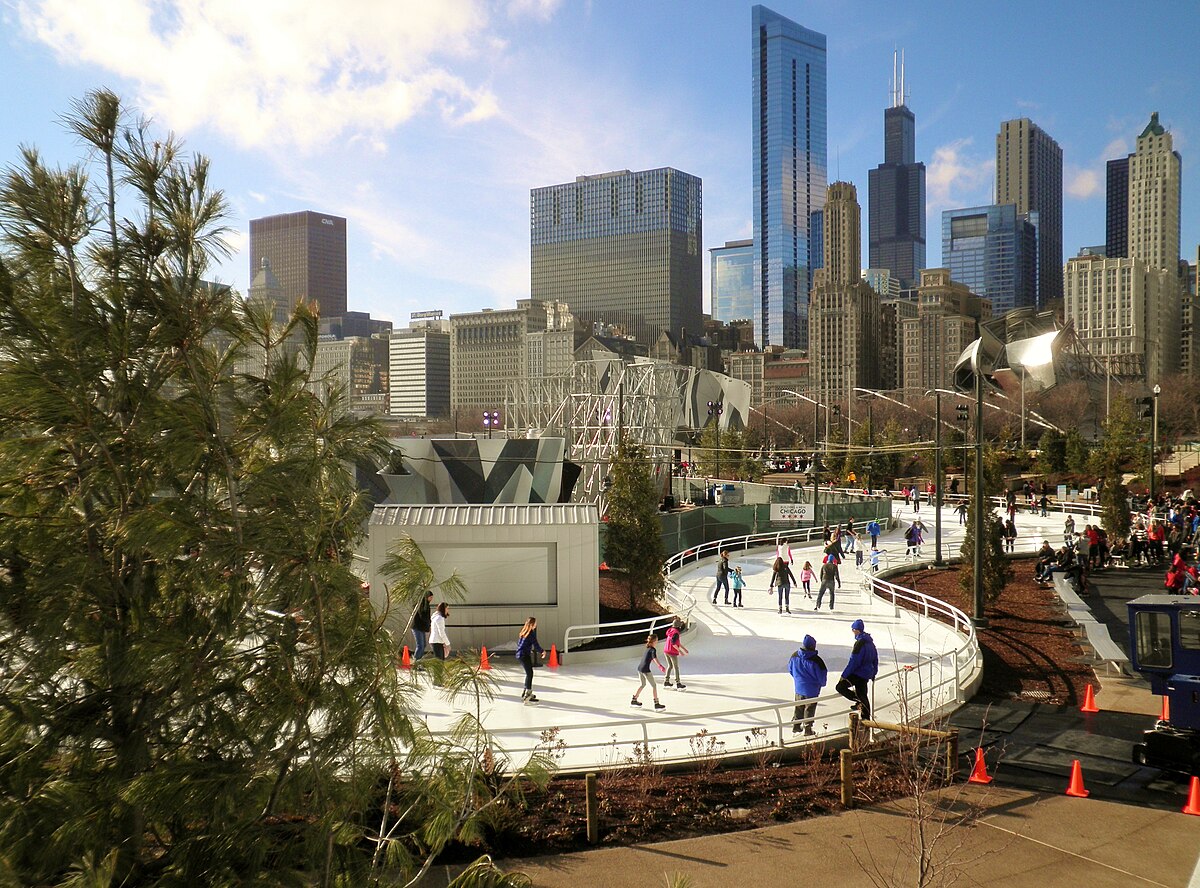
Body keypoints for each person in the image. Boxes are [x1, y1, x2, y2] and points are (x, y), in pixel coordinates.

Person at [836, 619, 879, 720]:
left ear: (857, 630)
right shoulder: (870, 643)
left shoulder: (859, 644)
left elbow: (854, 662)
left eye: (853, 630)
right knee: (862, 694)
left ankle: (858, 701)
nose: (852, 632)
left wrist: (844, 676)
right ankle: (866, 720)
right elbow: (875, 659)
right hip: (866, 673)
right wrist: (873, 673)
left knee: (840, 687)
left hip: (858, 673)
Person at [788, 634, 828, 736]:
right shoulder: (816, 660)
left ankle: (796, 726)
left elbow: (790, 670)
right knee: (809, 709)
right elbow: (822, 677)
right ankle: (807, 729)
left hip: (799, 687)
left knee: (799, 707)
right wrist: (820, 684)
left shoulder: (794, 656)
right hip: (812, 690)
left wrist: (798, 679)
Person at [515, 616, 547, 703]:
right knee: (530, 673)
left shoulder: (524, 631)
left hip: (521, 654)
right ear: (532, 624)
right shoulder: (530, 633)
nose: (536, 625)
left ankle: (526, 691)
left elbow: (520, 643)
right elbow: (535, 645)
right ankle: (527, 694)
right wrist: (542, 651)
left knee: (529, 673)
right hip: (524, 655)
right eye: (535, 623)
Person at [631, 634, 666, 710]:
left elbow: (651, 658)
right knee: (654, 685)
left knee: (642, 684)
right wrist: (660, 666)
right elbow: (654, 658)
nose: (657, 641)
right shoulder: (653, 650)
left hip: (640, 668)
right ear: (653, 641)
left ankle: (634, 700)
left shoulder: (648, 648)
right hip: (645, 670)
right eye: (656, 640)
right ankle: (656, 703)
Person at [663, 617, 689, 689]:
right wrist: (680, 651)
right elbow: (674, 643)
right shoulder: (676, 633)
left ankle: (666, 681)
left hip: (666, 651)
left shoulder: (671, 631)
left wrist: (684, 649)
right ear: (678, 626)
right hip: (672, 652)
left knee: (670, 666)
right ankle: (678, 683)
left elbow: (677, 643)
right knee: (676, 667)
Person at [411, 590, 433, 661]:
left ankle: (418, 661)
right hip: (417, 627)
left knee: (423, 645)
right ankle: (415, 662)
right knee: (420, 645)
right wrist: (429, 623)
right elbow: (423, 616)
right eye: (430, 597)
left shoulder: (426, 604)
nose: (431, 599)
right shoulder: (422, 604)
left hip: (421, 627)